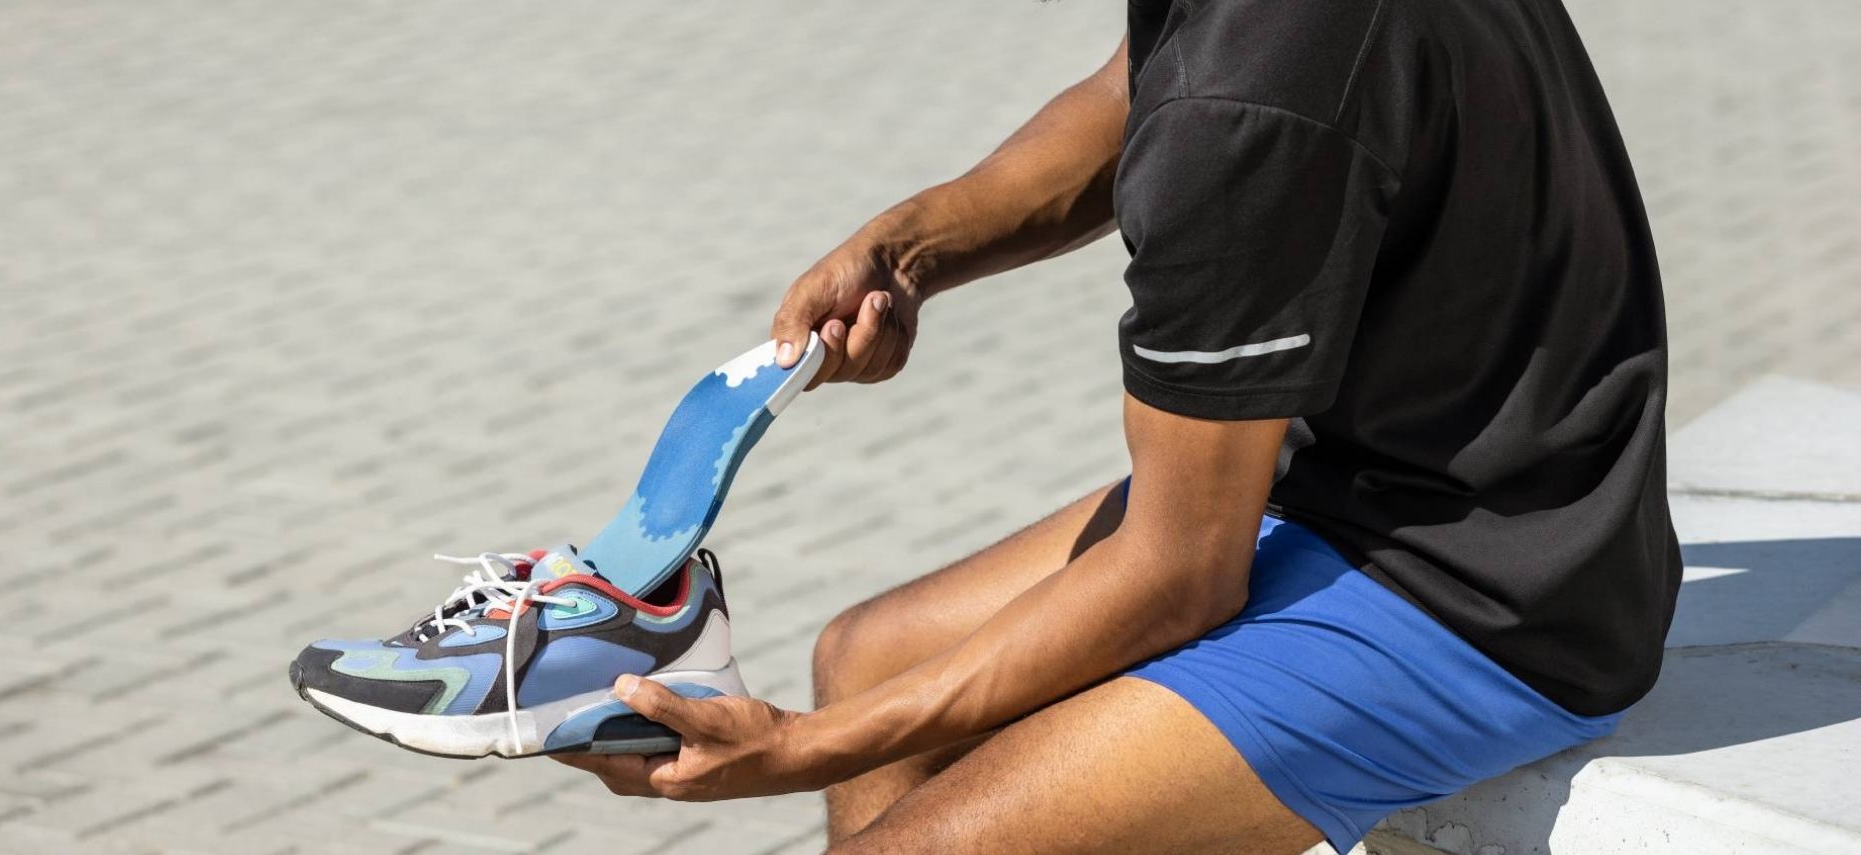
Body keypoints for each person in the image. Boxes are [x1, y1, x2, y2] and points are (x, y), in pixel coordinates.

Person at [555, 1, 1682, 852]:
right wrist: (906, 249)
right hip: (1379, 482)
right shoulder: (1235, 65)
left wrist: (798, 752)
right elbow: (1134, 84)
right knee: (864, 654)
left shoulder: (1245, 116)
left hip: (1482, 599)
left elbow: (1180, 577)